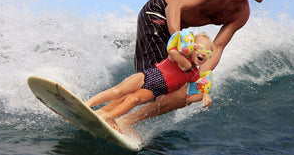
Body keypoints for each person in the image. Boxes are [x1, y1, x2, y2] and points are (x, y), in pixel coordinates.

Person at [114, 0, 274, 132]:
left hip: (179, 31)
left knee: (180, 97)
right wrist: (177, 44)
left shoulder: (241, 14)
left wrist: (199, 77)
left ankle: (125, 121)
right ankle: (106, 114)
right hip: (158, 14)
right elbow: (174, 7)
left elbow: (217, 47)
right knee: (154, 80)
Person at [85, 32, 214, 134]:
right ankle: (88, 104)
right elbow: (172, 52)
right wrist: (185, 50)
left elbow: (188, 97)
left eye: (208, 53)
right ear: (191, 46)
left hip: (155, 90)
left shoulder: (195, 74)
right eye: (201, 48)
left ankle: (108, 117)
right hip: (147, 76)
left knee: (132, 99)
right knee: (118, 91)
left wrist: (204, 95)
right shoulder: (179, 56)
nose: (204, 53)